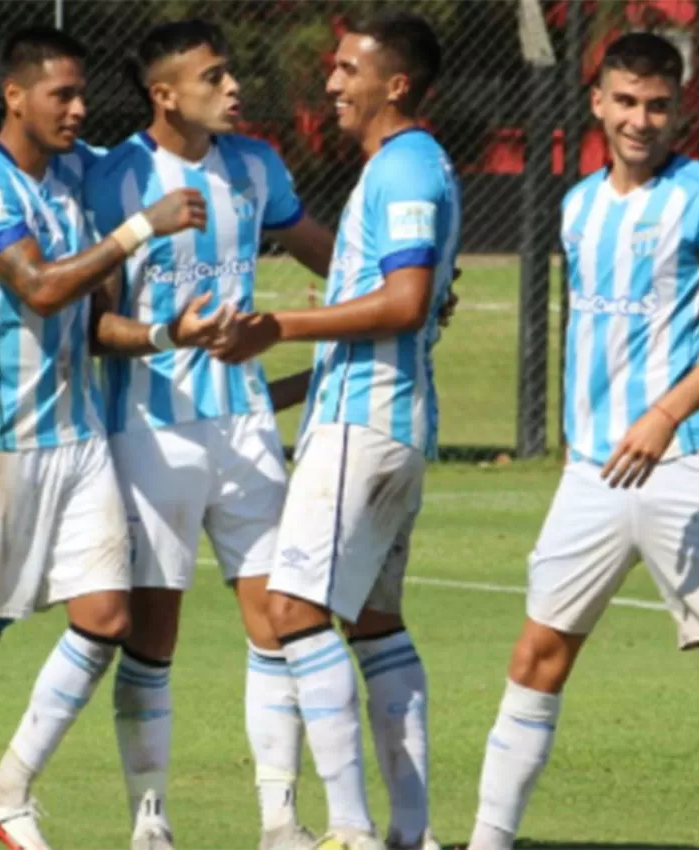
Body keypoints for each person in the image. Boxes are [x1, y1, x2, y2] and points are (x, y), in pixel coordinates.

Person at [462, 32, 699, 850]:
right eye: (626, 102)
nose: (642, 120)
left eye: (659, 105)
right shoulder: (577, 206)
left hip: (692, 457)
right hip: (595, 472)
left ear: (680, 110)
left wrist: (666, 412)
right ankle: (489, 841)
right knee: (538, 656)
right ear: (597, 102)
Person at [0, 26, 233, 850]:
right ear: (14, 96)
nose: (78, 108)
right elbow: (39, 286)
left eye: (82, 93)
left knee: (106, 616)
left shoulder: (73, 174)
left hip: (79, 433)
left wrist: (169, 333)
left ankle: (9, 793)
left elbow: (95, 310)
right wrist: (141, 231)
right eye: (62, 94)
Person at [81, 19, 342, 850]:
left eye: (231, 74)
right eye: (215, 76)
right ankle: (149, 820)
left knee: (276, 621)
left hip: (248, 429)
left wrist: (401, 289)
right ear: (165, 94)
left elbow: (330, 258)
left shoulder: (257, 166)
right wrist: (170, 336)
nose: (235, 88)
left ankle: (280, 822)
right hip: (150, 432)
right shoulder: (115, 176)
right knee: (154, 634)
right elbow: (95, 325)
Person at [215, 10, 459, 850]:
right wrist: (270, 384)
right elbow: (408, 305)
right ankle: (411, 833)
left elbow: (405, 302)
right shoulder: (405, 167)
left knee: (289, 610)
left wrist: (277, 323)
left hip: (364, 427)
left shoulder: (404, 170)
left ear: (394, 84)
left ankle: (349, 830)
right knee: (375, 624)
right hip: (381, 421)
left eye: (347, 70)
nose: (331, 83)